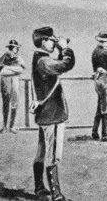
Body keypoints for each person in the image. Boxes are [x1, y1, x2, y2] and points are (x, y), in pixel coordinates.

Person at [31, 26, 75, 201]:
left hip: (44, 115)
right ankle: (56, 195)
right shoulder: (44, 62)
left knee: (41, 152)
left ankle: (39, 188)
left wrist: (58, 47)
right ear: (44, 41)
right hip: (53, 115)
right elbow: (66, 64)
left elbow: (55, 67)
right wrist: (65, 49)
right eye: (52, 40)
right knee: (53, 155)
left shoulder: (39, 59)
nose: (54, 42)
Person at [0, 39, 26, 134]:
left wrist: (8, 68)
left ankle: (11, 126)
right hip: (5, 80)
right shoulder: (3, 57)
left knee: (14, 103)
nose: (17, 50)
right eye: (16, 48)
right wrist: (14, 69)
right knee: (6, 102)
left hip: (15, 80)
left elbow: (21, 69)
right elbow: (0, 70)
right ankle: (5, 126)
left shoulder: (19, 57)